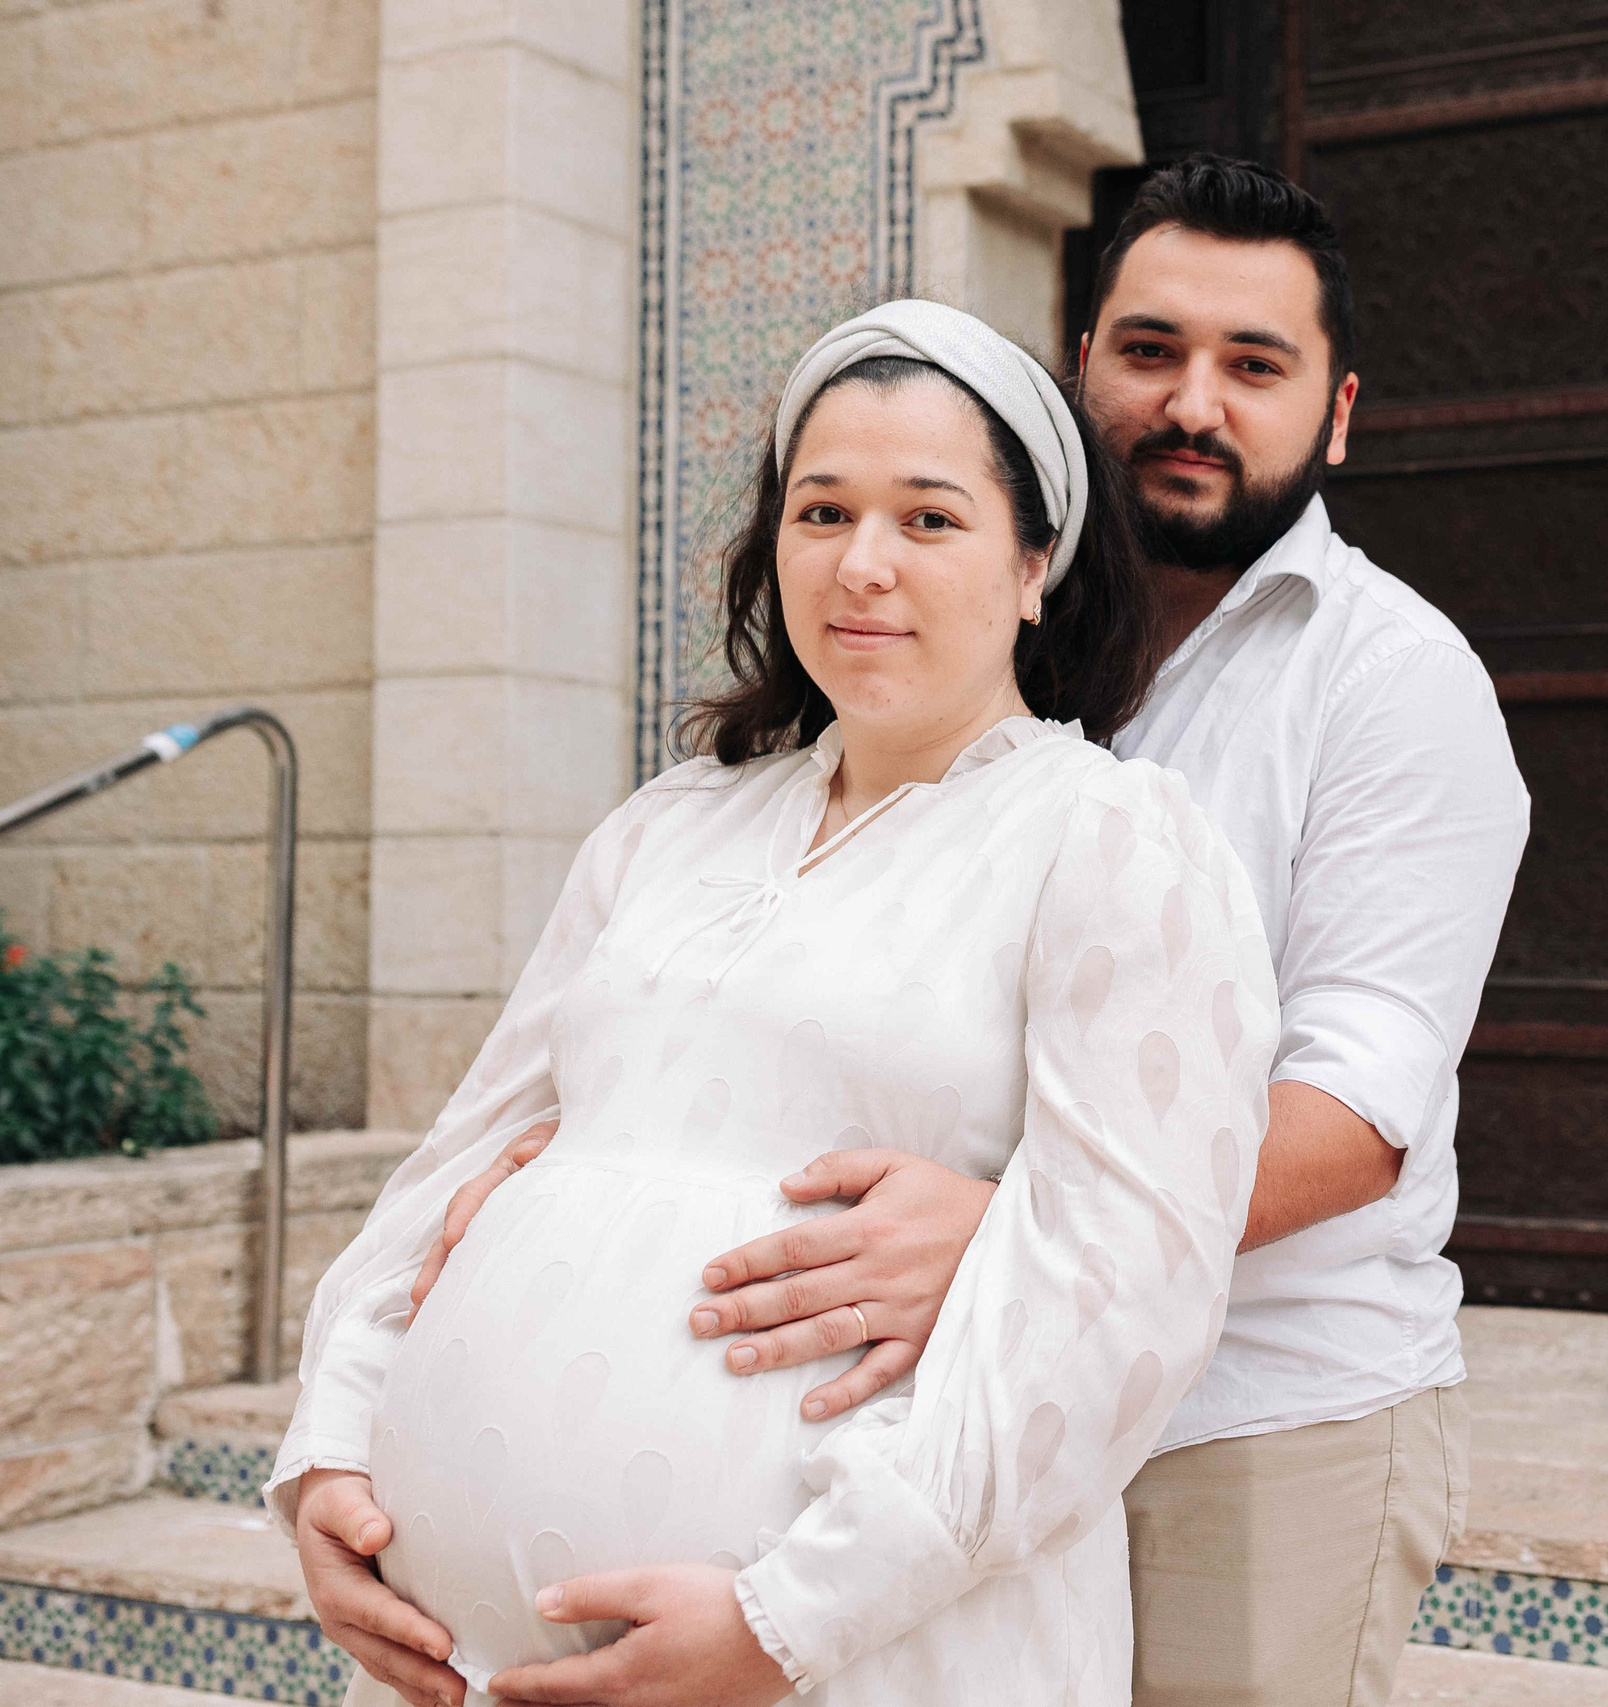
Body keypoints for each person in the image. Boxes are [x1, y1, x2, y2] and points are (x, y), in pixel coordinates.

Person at [418, 154, 1531, 1706]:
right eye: (1149, 352)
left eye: (1254, 366)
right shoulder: (937, 677)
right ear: (1080, 378)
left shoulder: (1396, 685)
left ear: (1338, 411)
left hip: (1255, 1422)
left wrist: (1022, 1235)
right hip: (922, 1423)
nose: (1192, 402)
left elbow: (1361, 1114)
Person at [269, 299, 1282, 1707]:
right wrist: (329, 1455)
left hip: (876, 1658)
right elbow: (459, 1161)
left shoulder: (1111, 841)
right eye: (823, 513)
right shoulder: (665, 829)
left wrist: (783, 1623)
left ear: (1036, 562)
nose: (862, 565)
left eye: (929, 520)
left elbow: (1125, 1301)